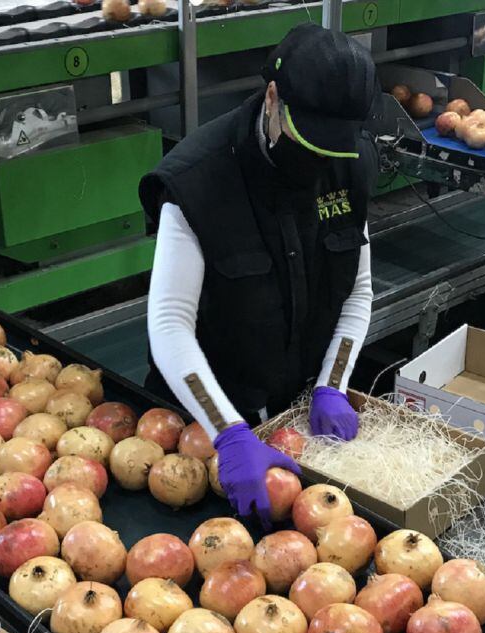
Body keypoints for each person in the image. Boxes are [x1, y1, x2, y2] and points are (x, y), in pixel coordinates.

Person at [139, 24, 378, 527]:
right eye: (307, 138)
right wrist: (227, 432)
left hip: (291, 420)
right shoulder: (198, 181)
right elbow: (168, 323)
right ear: (273, 98)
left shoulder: (349, 165)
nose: (317, 159)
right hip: (199, 424)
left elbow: (358, 289)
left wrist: (332, 384)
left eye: (331, 145)